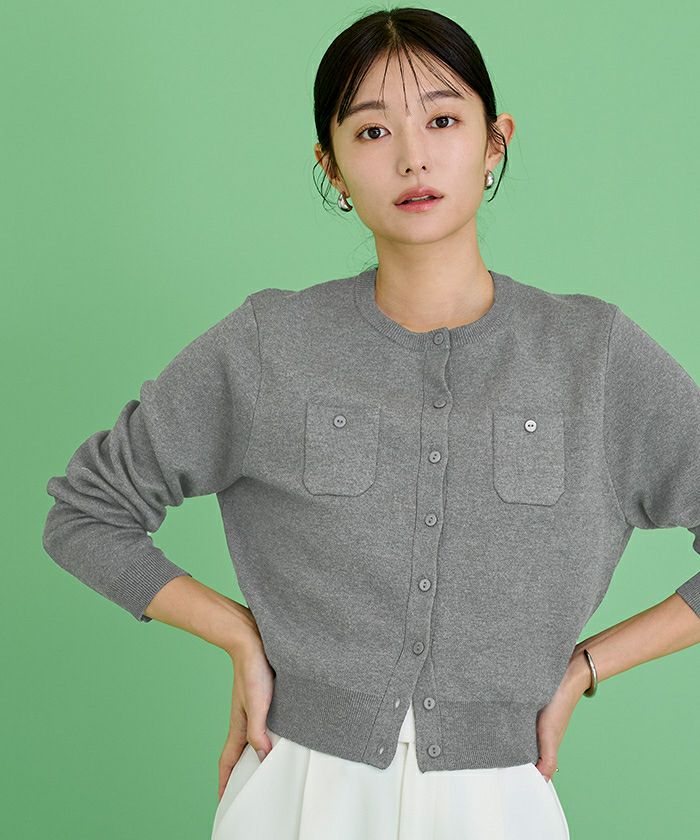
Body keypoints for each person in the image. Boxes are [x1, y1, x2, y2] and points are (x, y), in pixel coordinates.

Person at [42, 7, 700, 840]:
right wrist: (238, 634)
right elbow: (85, 513)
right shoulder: (271, 344)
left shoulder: (591, 356)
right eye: (372, 131)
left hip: (498, 802)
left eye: (443, 120)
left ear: (495, 143)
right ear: (332, 167)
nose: (412, 156)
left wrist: (587, 666)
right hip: (294, 789)